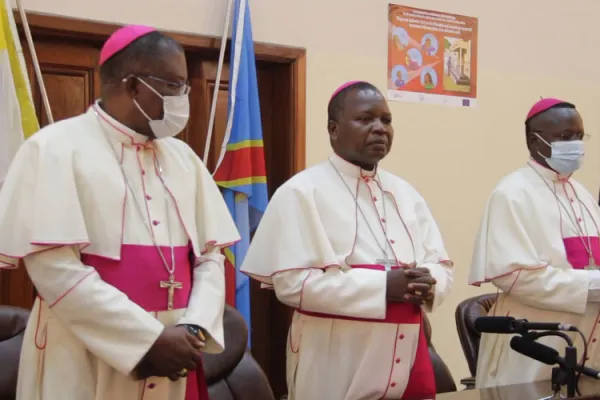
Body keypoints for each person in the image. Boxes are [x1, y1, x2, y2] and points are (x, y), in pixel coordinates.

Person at [0, 25, 240, 400]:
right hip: (86, 351)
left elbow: (209, 257)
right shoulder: (53, 148)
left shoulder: (184, 159)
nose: (184, 98)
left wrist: (193, 329)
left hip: (178, 349)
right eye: (175, 85)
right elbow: (54, 269)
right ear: (133, 86)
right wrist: (146, 341)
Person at [241, 81, 454, 399]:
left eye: (386, 120)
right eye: (366, 119)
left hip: (407, 352)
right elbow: (291, 284)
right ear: (333, 129)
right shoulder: (302, 192)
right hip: (335, 358)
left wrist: (429, 280)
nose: (380, 129)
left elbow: (441, 264)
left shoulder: (405, 193)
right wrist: (383, 287)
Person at [469, 98, 600, 388]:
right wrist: (593, 286)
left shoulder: (583, 195)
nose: (575, 145)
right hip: (531, 349)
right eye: (565, 137)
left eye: (579, 136)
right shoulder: (512, 193)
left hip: (585, 344)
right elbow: (517, 278)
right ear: (534, 141)